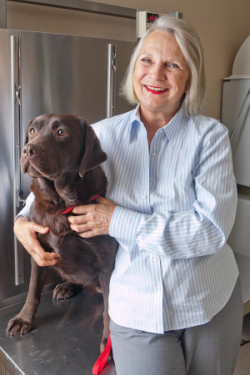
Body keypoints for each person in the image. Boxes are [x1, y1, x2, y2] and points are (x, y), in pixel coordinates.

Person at [15, 16, 243, 375]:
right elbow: (46, 191)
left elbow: (211, 231)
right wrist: (20, 223)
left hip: (208, 299)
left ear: (189, 78)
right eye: (147, 61)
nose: (156, 74)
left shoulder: (210, 138)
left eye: (172, 64)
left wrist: (118, 220)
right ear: (134, 68)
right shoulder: (104, 134)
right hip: (135, 308)